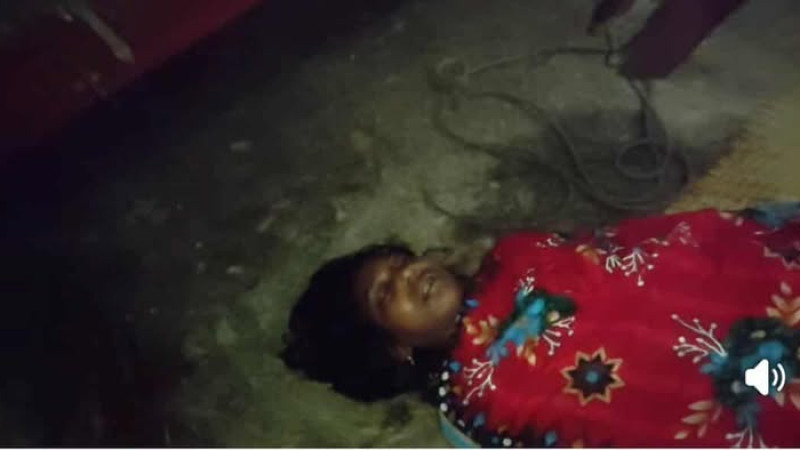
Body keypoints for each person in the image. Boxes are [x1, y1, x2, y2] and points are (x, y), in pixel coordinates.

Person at [281, 204, 800, 447]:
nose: (409, 274)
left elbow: (627, 254)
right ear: (392, 349)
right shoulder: (472, 408)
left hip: (735, 302)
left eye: (401, 262)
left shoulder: (514, 256)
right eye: (385, 293)